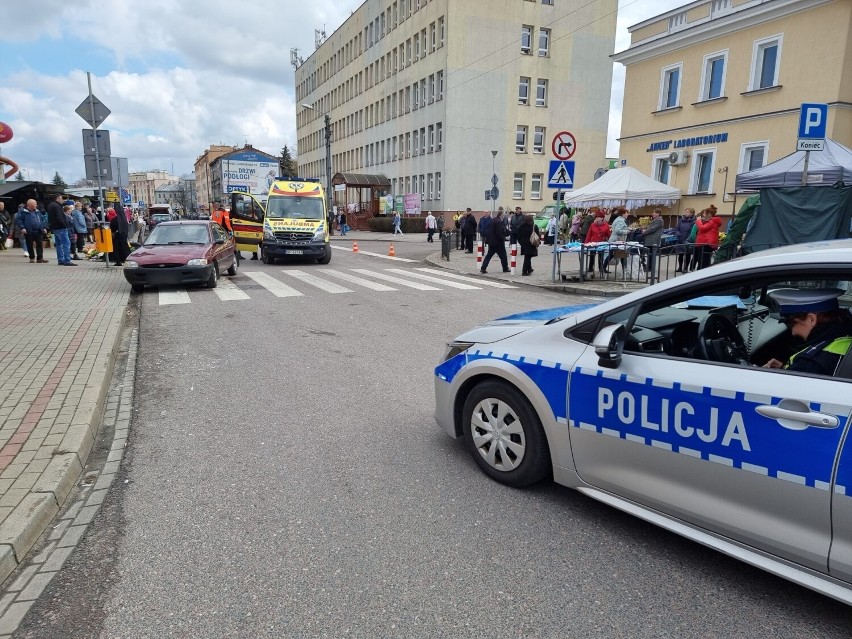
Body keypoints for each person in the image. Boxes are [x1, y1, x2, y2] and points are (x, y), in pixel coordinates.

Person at [763, 289, 852, 375]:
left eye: (791, 323)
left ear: (811, 319)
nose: (793, 332)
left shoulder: (810, 362)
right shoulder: (843, 335)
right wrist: (785, 368)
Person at [16, 199, 48, 263]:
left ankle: (40, 258)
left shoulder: (37, 211)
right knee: (29, 245)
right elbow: (19, 220)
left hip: (38, 231)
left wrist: (44, 227)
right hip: (28, 231)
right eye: (35, 204)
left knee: (39, 244)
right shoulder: (22, 211)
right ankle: (32, 258)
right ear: (30, 205)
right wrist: (22, 228)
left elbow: (41, 220)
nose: (36, 205)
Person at [480, 209, 509, 274]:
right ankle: (505, 268)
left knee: (489, 255)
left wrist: (508, 232)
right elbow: (499, 232)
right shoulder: (498, 221)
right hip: (498, 242)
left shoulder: (494, 220)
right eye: (504, 214)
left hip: (491, 242)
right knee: (503, 256)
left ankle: (483, 268)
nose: (504, 216)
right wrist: (503, 238)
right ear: (501, 215)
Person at [584, 211, 610, 278]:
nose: (597, 218)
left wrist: (610, 241)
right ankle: (590, 267)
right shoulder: (593, 225)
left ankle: (601, 268)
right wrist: (586, 243)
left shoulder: (606, 225)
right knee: (592, 255)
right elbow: (589, 234)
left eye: (599, 217)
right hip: (593, 242)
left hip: (601, 242)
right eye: (597, 217)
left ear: (602, 218)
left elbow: (608, 234)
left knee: (601, 256)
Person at [694, 204, 721, 270]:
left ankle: (701, 274)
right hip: (704, 243)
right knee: (702, 260)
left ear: (709, 214)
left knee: (703, 261)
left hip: (706, 244)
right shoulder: (710, 221)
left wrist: (699, 221)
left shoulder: (712, 222)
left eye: (705, 213)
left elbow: (702, 228)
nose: (703, 215)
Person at [604, 207, 629, 274]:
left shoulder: (617, 219)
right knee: (622, 255)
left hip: (615, 240)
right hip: (617, 240)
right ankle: (625, 270)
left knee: (613, 255)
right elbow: (618, 231)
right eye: (626, 213)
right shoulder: (620, 221)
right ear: (623, 214)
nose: (627, 214)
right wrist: (626, 231)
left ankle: (603, 268)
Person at [642, 208, 664, 278]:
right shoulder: (655, 220)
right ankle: (649, 266)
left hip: (653, 240)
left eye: (654, 212)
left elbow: (653, 229)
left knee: (651, 254)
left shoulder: (659, 221)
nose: (652, 214)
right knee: (649, 254)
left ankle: (650, 267)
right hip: (650, 240)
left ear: (658, 214)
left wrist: (644, 232)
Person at [674, 208, 697, 273]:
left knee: (687, 255)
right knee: (680, 254)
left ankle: (686, 267)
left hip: (688, 240)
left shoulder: (694, 221)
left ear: (691, 213)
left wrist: (688, 238)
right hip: (680, 239)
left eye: (688, 212)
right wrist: (678, 234)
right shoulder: (681, 220)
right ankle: (680, 267)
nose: (686, 213)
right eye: (686, 212)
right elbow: (677, 228)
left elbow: (692, 231)